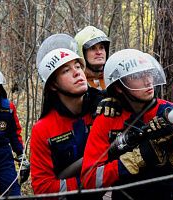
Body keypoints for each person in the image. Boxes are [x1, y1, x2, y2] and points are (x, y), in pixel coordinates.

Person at [81, 49, 173, 200]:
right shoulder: (107, 119)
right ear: (119, 87)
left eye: (149, 73)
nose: (148, 81)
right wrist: (133, 160)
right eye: (137, 76)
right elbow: (89, 180)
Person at [30, 33, 105, 199]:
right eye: (66, 70)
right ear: (54, 85)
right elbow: (43, 188)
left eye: (78, 67)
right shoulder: (43, 130)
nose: (77, 73)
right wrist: (88, 182)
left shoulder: (104, 109)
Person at [0, 68, 30, 196]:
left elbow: (14, 133)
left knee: (13, 193)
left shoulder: (7, 108)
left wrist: (21, 155)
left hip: (3, 156)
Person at [74, 25, 110, 90]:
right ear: (82, 53)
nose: (99, 52)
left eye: (101, 47)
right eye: (92, 48)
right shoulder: (75, 83)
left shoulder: (114, 80)